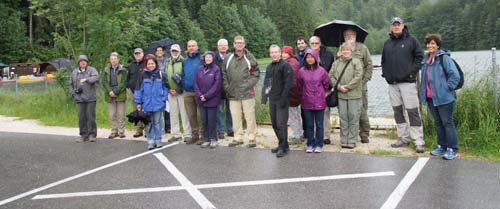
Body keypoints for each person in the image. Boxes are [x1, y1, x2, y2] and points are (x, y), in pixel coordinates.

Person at [381, 17, 425, 153]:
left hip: (408, 83)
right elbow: (383, 61)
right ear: (391, 27)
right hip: (392, 84)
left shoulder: (411, 41)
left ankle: (418, 140)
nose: (396, 27)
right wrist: (386, 75)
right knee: (398, 112)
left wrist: (412, 73)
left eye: (398, 24)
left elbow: (420, 57)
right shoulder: (387, 43)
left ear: (403, 26)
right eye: (394, 25)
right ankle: (403, 138)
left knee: (412, 112)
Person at [420, 33, 460, 160]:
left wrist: (446, 89)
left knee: (447, 123)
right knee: (438, 123)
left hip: (444, 98)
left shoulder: (444, 58)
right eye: (428, 43)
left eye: (433, 43)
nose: (430, 45)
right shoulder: (426, 59)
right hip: (431, 98)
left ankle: (452, 149)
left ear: (437, 45)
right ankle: (442, 146)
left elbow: (455, 76)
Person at [222, 35, 260, 148]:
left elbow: (256, 73)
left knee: (250, 116)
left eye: (241, 42)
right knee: (235, 116)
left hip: (247, 93)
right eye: (237, 42)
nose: (239, 44)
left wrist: (247, 85)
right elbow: (223, 73)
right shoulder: (228, 58)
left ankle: (252, 138)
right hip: (232, 94)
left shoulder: (250, 57)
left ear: (244, 44)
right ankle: (238, 138)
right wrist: (227, 87)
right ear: (233, 44)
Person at [341, 28, 374, 143]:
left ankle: (364, 134)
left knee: (362, 110)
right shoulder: (341, 49)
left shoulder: (362, 48)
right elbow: (338, 67)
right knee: (348, 112)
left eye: (351, 34)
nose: (349, 36)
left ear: (355, 35)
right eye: (346, 35)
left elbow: (369, 65)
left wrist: (364, 80)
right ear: (344, 37)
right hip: (345, 87)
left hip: (360, 86)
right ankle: (350, 135)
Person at [330, 43, 364, 149]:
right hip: (341, 95)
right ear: (341, 51)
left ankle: (352, 140)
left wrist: (348, 87)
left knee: (353, 117)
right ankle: (344, 139)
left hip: (354, 95)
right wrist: (339, 87)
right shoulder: (336, 63)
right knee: (343, 117)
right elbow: (330, 76)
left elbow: (358, 76)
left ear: (351, 51)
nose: (345, 51)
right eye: (343, 49)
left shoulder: (356, 62)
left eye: (347, 50)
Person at [262, 45, 293, 157]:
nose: (274, 54)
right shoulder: (269, 67)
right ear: (270, 54)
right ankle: (283, 144)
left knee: (281, 124)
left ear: (280, 53)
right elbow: (267, 83)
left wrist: (283, 99)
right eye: (272, 52)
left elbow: (288, 84)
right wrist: (264, 97)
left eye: (276, 52)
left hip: (282, 100)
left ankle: (283, 147)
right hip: (272, 99)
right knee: (274, 124)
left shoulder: (286, 66)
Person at [297, 49, 330, 153]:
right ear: (305, 59)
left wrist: (320, 93)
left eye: (312, 57)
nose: (310, 59)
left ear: (316, 58)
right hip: (307, 101)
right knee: (309, 124)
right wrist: (305, 94)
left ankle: (319, 144)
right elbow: (299, 85)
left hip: (320, 102)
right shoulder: (301, 71)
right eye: (308, 57)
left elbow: (326, 83)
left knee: (320, 125)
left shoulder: (321, 71)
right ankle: (310, 143)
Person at [135, 56, 169, 150]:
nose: (151, 65)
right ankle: (150, 141)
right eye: (149, 64)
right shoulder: (142, 75)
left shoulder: (161, 74)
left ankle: (158, 140)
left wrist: (163, 98)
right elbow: (138, 90)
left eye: (152, 63)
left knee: (157, 123)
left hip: (158, 104)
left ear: (156, 64)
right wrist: (138, 102)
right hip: (146, 104)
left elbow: (166, 87)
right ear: (146, 64)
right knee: (149, 123)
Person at [309, 36, 335, 145]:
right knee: (312, 113)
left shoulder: (328, 55)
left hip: (324, 88)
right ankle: (315, 135)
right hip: (311, 89)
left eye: (316, 43)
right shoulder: (308, 55)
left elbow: (331, 70)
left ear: (320, 44)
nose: (314, 45)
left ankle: (326, 136)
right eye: (312, 43)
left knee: (324, 113)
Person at [165, 44, 192, 143]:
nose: (174, 52)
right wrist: (169, 89)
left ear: (180, 51)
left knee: (184, 113)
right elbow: (165, 77)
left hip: (181, 92)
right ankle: (175, 134)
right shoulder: (167, 62)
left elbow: (186, 77)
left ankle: (187, 134)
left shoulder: (184, 61)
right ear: (170, 51)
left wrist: (178, 90)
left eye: (176, 51)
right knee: (173, 114)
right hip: (171, 92)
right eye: (173, 51)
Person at [195, 51, 222, 148]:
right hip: (201, 100)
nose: (208, 59)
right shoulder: (200, 69)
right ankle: (206, 139)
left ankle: (213, 139)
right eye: (206, 57)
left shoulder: (216, 69)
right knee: (204, 120)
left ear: (213, 58)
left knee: (211, 120)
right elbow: (196, 83)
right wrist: (200, 95)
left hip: (212, 100)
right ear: (204, 58)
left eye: (210, 57)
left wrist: (206, 96)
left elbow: (217, 85)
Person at [70, 55, 99, 142]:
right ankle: (83, 135)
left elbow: (96, 78)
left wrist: (86, 79)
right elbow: (70, 83)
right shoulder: (75, 72)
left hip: (90, 98)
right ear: (78, 62)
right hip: (79, 99)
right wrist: (73, 93)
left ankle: (92, 135)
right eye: (81, 61)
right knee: (81, 117)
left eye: (84, 61)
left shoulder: (92, 70)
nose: (83, 62)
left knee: (91, 117)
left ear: (87, 62)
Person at [102, 52, 128, 139]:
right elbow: (104, 82)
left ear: (118, 59)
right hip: (109, 94)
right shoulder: (106, 70)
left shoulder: (123, 70)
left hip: (120, 94)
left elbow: (124, 82)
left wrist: (115, 91)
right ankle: (114, 131)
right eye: (112, 59)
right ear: (110, 60)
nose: (113, 61)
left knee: (121, 114)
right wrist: (110, 91)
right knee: (112, 114)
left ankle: (121, 132)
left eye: (115, 59)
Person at [182, 40, 203, 144]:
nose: (191, 48)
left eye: (193, 46)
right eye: (189, 46)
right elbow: (183, 75)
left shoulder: (202, 59)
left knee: (202, 114)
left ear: (197, 46)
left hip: (200, 92)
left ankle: (204, 135)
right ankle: (195, 135)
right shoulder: (185, 61)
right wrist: (183, 85)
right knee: (191, 115)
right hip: (187, 92)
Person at [282, 45, 303, 145]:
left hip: (291, 94)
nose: (283, 54)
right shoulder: (294, 61)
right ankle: (299, 133)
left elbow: (291, 81)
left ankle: (296, 136)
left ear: (289, 53)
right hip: (295, 94)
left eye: (285, 52)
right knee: (296, 115)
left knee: (293, 116)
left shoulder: (290, 63)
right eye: (282, 52)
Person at [215, 38, 234, 139]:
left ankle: (230, 129)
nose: (223, 47)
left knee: (230, 110)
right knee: (220, 111)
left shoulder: (231, 57)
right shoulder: (214, 58)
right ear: (218, 47)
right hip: (218, 89)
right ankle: (221, 130)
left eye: (225, 45)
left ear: (227, 47)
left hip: (230, 88)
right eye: (221, 45)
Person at [127, 48, 145, 137]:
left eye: (139, 53)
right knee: (136, 111)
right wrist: (129, 86)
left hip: (144, 92)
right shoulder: (132, 65)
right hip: (134, 92)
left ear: (142, 54)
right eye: (136, 53)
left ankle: (147, 129)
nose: (138, 55)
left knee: (145, 110)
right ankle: (139, 129)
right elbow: (128, 77)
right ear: (134, 55)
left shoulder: (146, 64)